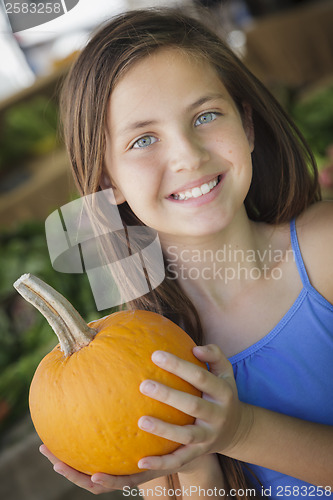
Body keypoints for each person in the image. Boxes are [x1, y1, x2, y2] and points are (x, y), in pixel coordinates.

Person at [39, 8, 333, 499]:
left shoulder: (325, 251)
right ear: (108, 180)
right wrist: (190, 460)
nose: (187, 155)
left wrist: (240, 432)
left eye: (205, 115)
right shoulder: (139, 364)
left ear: (248, 126)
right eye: (144, 139)